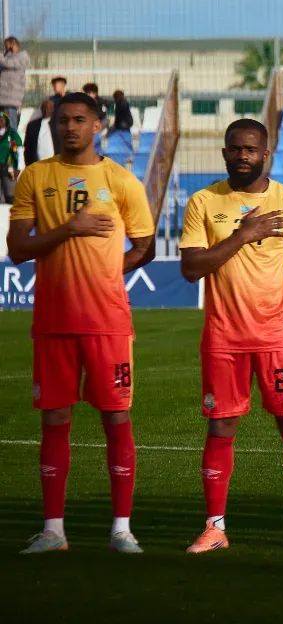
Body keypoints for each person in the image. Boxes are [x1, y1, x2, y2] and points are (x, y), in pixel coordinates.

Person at [6, 92, 155, 554]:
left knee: (116, 416)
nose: (69, 127)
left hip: (107, 322)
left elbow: (145, 244)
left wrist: (109, 271)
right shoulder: (35, 176)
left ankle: (121, 529)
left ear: (97, 125)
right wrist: (70, 228)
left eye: (78, 120)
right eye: (62, 120)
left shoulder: (122, 181)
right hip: (54, 321)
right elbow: (17, 248)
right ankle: (54, 531)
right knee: (54, 418)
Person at [178, 118, 283, 554]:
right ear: (225, 153)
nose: (242, 155)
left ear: (266, 154)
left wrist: (275, 296)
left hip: (277, 336)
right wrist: (242, 236)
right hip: (224, 337)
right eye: (235, 148)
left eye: (250, 149)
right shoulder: (204, 202)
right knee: (221, 426)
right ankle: (214, 527)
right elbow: (191, 269)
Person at [1, 36, 30, 128]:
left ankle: (13, 138)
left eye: (10, 46)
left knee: (11, 127)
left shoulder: (22, 57)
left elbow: (10, 64)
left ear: (16, 45)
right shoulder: (5, 59)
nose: (8, 49)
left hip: (10, 99)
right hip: (2, 99)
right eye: (6, 47)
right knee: (3, 128)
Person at [23, 99, 55, 166]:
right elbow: (27, 147)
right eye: (44, 108)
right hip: (37, 165)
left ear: (53, 109)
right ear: (41, 109)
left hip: (55, 165)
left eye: (49, 108)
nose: (46, 110)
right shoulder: (32, 126)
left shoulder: (58, 124)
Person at [0, 111, 22, 203]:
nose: (0, 121)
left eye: (2, 119)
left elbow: (16, 150)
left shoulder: (12, 134)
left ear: (6, 121)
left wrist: (16, 167)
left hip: (8, 167)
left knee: (10, 196)